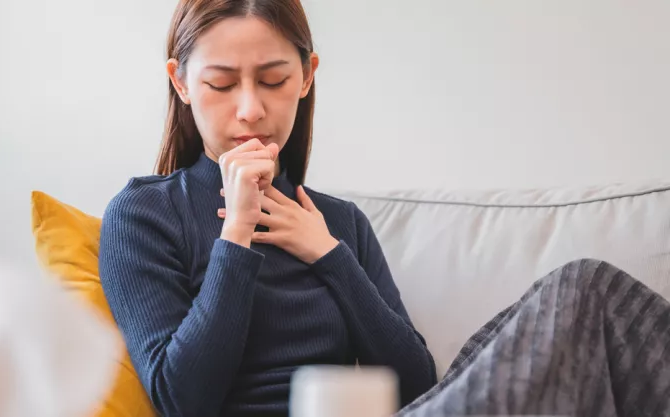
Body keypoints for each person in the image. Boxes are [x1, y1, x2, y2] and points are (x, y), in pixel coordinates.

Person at [99, 1, 670, 417]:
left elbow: (416, 385)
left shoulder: (339, 224)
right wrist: (238, 235)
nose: (250, 110)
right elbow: (183, 400)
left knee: (587, 289)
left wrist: (329, 254)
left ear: (306, 77)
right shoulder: (144, 216)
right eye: (221, 85)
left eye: (273, 80)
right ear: (180, 83)